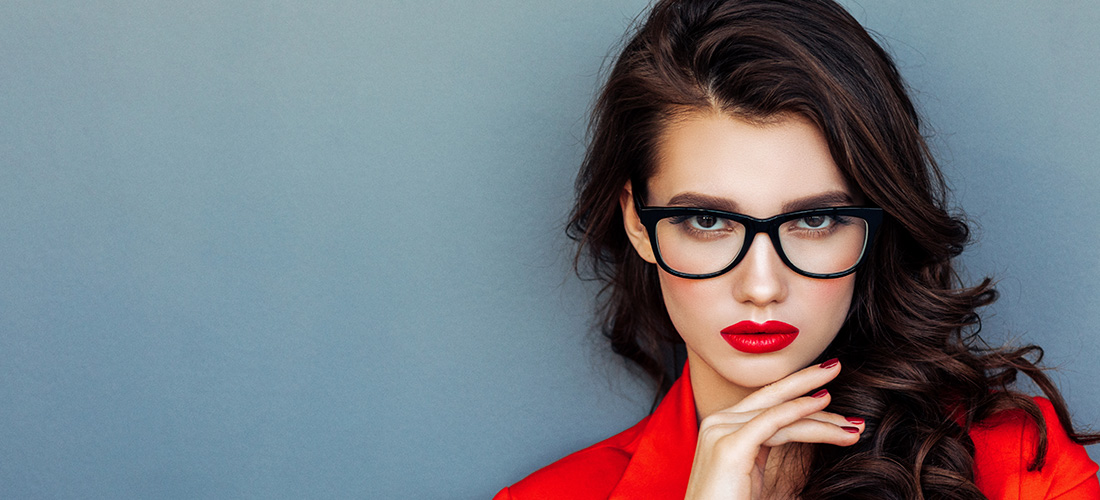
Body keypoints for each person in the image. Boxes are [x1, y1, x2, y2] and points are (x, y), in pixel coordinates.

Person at [494, 0, 1099, 498]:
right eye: (707, 220)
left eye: (814, 219)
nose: (762, 285)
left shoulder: (1017, 461)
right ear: (638, 223)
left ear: (875, 223)